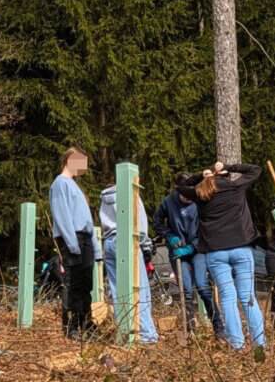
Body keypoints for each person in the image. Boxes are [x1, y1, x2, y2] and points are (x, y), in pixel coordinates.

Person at [178, 162, 266, 350]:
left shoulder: (201, 193)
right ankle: (260, 345)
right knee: (248, 296)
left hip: (216, 253)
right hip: (241, 248)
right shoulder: (235, 187)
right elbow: (255, 169)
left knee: (227, 297)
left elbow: (181, 188)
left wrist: (200, 175)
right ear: (225, 176)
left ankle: (237, 345)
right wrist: (229, 166)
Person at [153, 180, 221, 336]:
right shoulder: (168, 202)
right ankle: (189, 329)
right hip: (178, 252)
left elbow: (207, 229)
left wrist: (192, 247)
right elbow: (157, 222)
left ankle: (218, 327)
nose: (189, 199)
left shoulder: (200, 202)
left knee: (203, 287)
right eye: (186, 196)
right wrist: (169, 235)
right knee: (186, 291)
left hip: (198, 251)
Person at [99, 182, 158, 343]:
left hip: (109, 242)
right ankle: (146, 335)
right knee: (140, 289)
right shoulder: (131, 193)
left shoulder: (105, 197)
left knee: (118, 291)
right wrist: (145, 245)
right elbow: (140, 223)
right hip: (127, 240)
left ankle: (124, 333)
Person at [48, 147, 96, 339]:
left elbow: (87, 220)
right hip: (73, 238)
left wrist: (94, 247)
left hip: (83, 238)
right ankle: (73, 326)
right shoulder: (60, 184)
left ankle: (87, 323)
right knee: (74, 282)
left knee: (85, 283)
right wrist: (71, 242)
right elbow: (62, 215)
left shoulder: (74, 186)